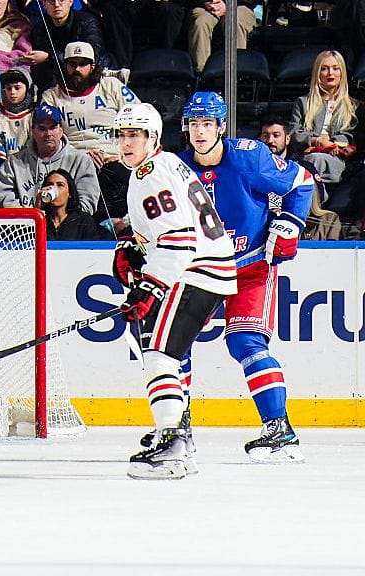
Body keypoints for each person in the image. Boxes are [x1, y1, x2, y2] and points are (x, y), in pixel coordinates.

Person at [177, 92, 315, 463]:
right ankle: (177, 427)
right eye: (193, 123)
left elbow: (302, 182)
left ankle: (279, 429)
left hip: (250, 264)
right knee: (175, 344)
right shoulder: (175, 168)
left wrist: (290, 223)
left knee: (246, 343)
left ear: (221, 126)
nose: (200, 131)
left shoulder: (249, 156)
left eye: (207, 123)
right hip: (202, 268)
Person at [109, 103, 237, 479]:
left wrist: (151, 287)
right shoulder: (162, 166)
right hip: (206, 270)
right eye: (122, 135)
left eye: (135, 135)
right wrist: (131, 247)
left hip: (195, 271)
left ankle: (171, 445)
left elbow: (178, 239)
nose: (127, 142)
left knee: (159, 354)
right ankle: (179, 437)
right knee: (167, 354)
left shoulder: (151, 174)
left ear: (153, 138)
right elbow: (166, 229)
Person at [41, 41, 140, 229]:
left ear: (93, 66)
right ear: (65, 66)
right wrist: (79, 158)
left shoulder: (111, 86)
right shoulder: (51, 96)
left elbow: (139, 120)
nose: (77, 69)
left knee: (121, 179)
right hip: (73, 162)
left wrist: (122, 154)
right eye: (72, 64)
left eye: (83, 64)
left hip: (115, 159)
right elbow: (48, 136)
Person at [0, 103, 100, 214]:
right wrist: (34, 218)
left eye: (53, 128)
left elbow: (88, 206)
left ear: (61, 130)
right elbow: (5, 201)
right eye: (42, 128)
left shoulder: (81, 161)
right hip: (27, 228)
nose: (48, 134)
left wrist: (57, 219)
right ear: (33, 131)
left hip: (68, 227)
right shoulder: (13, 164)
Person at [291, 50, 360, 187]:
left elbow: (351, 135)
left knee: (315, 161)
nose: (330, 73)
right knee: (313, 160)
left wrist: (332, 144)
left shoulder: (353, 106)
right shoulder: (303, 102)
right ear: (317, 73)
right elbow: (294, 133)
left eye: (335, 68)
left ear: (342, 73)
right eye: (324, 69)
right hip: (307, 154)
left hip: (337, 157)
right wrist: (317, 141)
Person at [22, 0, 111, 91]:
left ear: (71, 2)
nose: (56, 5)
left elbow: (92, 53)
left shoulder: (87, 22)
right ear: (44, 4)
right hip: (57, 79)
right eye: (51, 1)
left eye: (61, 0)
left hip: (91, 74)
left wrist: (49, 57)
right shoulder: (39, 28)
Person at [187, 0, 259, 74]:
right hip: (205, 6)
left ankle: (236, 72)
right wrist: (207, 3)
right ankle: (201, 74)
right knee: (201, 23)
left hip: (240, 5)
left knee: (234, 21)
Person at [37, 169, 111, 240]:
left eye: (60, 185)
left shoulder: (83, 220)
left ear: (70, 193)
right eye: (50, 184)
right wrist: (37, 208)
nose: (53, 188)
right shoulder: (41, 220)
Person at [0, 66, 36, 162]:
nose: (12, 92)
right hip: (5, 170)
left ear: (28, 90)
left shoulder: (34, 116)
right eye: (8, 88)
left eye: (17, 88)